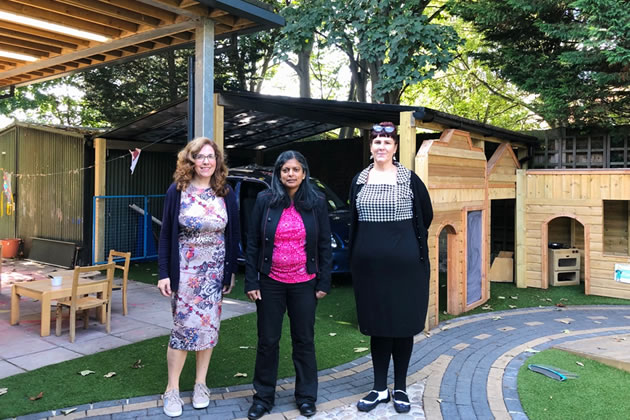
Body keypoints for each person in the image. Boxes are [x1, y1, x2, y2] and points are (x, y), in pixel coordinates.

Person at [349, 122, 433, 414]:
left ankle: (400, 388)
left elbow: (426, 215)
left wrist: (402, 247)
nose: (381, 146)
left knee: (402, 327)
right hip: (370, 271)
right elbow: (354, 220)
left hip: (406, 270)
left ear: (395, 147)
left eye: (387, 141)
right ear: (371, 147)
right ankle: (378, 388)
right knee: (378, 327)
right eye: (377, 142)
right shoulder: (359, 180)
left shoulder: (410, 180)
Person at [245, 151, 332, 420]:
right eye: (285, 170)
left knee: (304, 340)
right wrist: (251, 279)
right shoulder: (265, 200)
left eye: (295, 169)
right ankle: (263, 398)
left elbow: (324, 243)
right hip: (270, 282)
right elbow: (253, 243)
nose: (290, 174)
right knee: (268, 341)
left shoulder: (316, 202)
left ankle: (306, 397)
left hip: (304, 282)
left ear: (304, 173)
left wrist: (323, 280)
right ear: (278, 174)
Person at [157, 137, 240, 417]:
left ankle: (201, 384)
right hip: (185, 271)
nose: (206, 161)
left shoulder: (225, 191)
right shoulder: (177, 191)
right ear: (190, 161)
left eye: (211, 156)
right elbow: (167, 232)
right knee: (182, 331)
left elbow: (233, 234)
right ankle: (171, 389)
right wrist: (164, 273)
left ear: (217, 161)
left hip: (214, 273)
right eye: (200, 156)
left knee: (207, 330)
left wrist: (229, 272)